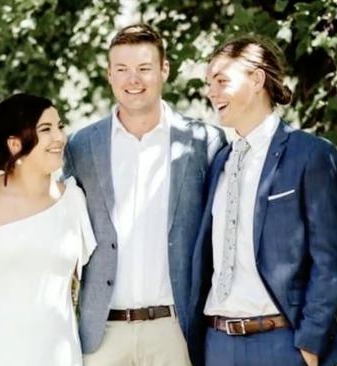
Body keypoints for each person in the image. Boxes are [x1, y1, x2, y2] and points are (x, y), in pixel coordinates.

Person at [63, 23, 226, 366]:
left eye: (143, 68)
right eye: (121, 69)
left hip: (174, 331)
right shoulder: (81, 146)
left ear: (164, 70)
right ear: (109, 74)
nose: (132, 79)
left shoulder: (204, 143)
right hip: (102, 334)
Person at [189, 35, 337, 366]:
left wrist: (310, 344)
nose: (211, 93)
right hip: (217, 345)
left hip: (282, 345)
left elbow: (329, 259)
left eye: (221, 81)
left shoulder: (310, 154)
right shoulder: (219, 161)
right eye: (208, 83)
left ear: (257, 78)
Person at [0, 93, 97, 366]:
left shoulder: (74, 199)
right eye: (45, 129)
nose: (59, 137)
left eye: (59, 126)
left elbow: (84, 284)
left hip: (59, 352)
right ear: (15, 144)